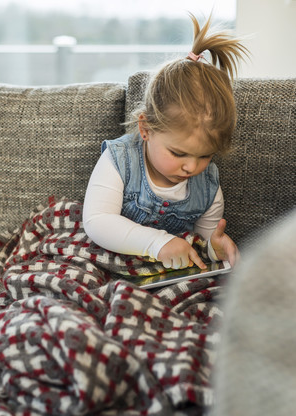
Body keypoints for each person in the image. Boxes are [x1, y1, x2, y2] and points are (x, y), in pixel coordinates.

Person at [83, 14, 248, 270]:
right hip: (106, 259)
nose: (191, 167)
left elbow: (204, 237)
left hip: (164, 273)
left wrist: (215, 248)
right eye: (178, 153)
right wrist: (157, 243)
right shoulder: (120, 159)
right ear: (145, 128)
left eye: (205, 156)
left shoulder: (208, 185)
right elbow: (98, 220)